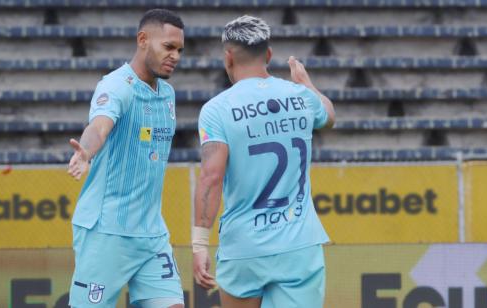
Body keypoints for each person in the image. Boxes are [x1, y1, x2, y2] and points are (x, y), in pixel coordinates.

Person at [192, 15, 336, 308]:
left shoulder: (216, 110)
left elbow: (211, 177)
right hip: (298, 245)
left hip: (244, 247)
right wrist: (306, 83)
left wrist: (199, 244)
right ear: (269, 55)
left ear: (228, 57)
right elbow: (329, 116)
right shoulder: (301, 97)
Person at [66, 9, 185, 308]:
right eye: (168, 47)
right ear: (143, 40)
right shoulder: (116, 85)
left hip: (151, 235)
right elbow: (99, 126)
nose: (176, 56)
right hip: (106, 233)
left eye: (180, 50)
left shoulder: (167, 94)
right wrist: (87, 150)